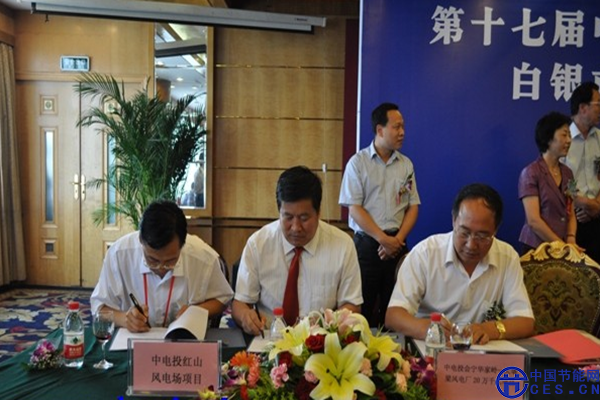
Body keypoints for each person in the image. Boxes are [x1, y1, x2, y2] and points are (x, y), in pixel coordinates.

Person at [385, 183, 534, 344]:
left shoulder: (507, 257)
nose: (471, 245)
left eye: (482, 236)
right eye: (464, 232)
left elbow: (525, 321)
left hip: (482, 351)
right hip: (431, 349)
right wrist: (427, 329)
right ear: (454, 221)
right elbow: (393, 316)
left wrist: (487, 329)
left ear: (495, 230)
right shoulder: (425, 254)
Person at [232, 166, 363, 336]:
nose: (295, 227)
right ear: (279, 212)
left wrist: (328, 326)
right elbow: (240, 304)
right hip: (269, 339)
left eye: (304, 218)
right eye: (288, 217)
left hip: (320, 341)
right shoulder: (258, 244)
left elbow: (352, 305)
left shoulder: (342, 246)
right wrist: (246, 317)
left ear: (318, 213)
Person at [90, 200, 233, 332]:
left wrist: (196, 311)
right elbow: (99, 307)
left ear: (183, 244)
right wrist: (126, 320)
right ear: (140, 240)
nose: (161, 267)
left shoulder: (203, 258)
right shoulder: (119, 254)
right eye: (152, 260)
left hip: (185, 340)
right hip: (134, 339)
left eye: (170, 261)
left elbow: (222, 298)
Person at [339, 102, 420, 327]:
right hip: (367, 246)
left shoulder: (406, 165)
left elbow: (413, 206)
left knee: (397, 307)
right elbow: (354, 208)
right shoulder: (358, 163)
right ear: (380, 130)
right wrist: (383, 239)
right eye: (396, 127)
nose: (402, 132)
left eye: (403, 127)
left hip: (398, 244)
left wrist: (397, 240)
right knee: (361, 309)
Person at [518, 112, 578, 254]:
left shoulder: (568, 173)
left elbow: (571, 211)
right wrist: (561, 245)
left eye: (570, 135)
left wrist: (571, 239)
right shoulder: (531, 173)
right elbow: (533, 221)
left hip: (563, 248)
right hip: (537, 249)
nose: (569, 140)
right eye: (564, 135)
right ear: (549, 139)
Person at [564, 81, 600, 264]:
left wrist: (596, 205)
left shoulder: (599, 138)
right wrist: (583, 203)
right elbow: (562, 180)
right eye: (598, 104)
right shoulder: (564, 139)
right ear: (583, 108)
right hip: (572, 217)